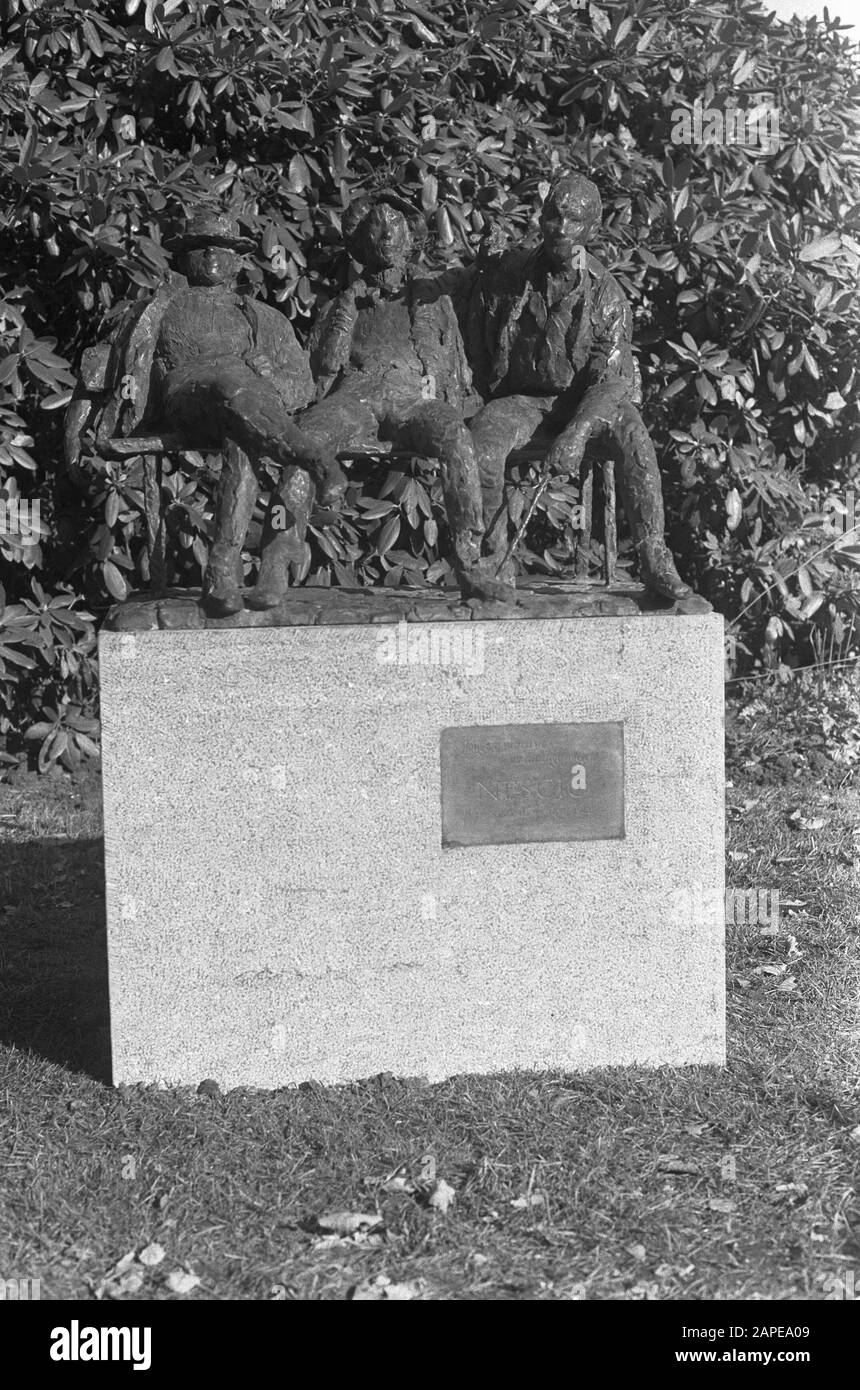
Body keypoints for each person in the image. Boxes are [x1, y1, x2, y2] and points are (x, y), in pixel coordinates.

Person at [65, 212, 345, 615]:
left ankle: (222, 572)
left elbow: (300, 386)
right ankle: (315, 458)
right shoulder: (158, 309)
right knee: (228, 382)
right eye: (202, 247)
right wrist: (75, 435)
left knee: (242, 436)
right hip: (187, 397)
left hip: (248, 412)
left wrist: (268, 374)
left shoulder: (266, 319)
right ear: (183, 258)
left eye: (225, 248)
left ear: (238, 260)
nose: (213, 254)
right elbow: (99, 368)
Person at [251, 192, 514, 609]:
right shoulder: (348, 299)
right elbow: (324, 365)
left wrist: (491, 250)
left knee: (456, 439)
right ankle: (275, 561)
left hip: (416, 397)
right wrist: (347, 309)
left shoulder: (430, 288)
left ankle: (471, 560)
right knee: (305, 446)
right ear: (362, 243)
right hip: (357, 395)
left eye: (395, 226)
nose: (387, 233)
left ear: (410, 237)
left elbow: (474, 274)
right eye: (377, 227)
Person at [461, 173, 692, 600]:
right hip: (527, 401)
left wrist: (578, 431)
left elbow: (608, 382)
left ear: (592, 229)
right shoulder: (514, 270)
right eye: (553, 217)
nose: (560, 230)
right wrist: (483, 263)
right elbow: (480, 293)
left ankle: (654, 557)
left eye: (573, 222)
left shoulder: (608, 295)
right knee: (483, 442)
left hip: (588, 402)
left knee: (635, 436)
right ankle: (495, 559)